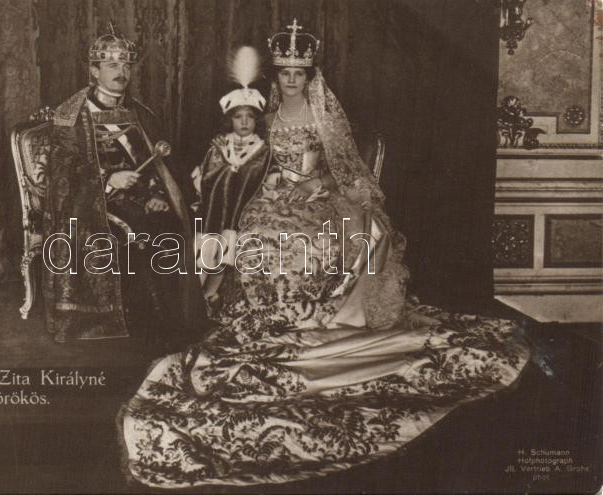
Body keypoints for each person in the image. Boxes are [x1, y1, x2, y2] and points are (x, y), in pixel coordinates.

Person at [118, 20, 531, 489]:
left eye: (300, 73)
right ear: (276, 76)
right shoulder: (263, 116)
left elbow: (344, 170)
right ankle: (265, 316)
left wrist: (315, 185)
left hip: (317, 198)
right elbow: (250, 163)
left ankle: (314, 316)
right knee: (254, 232)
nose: (292, 80)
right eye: (285, 73)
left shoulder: (323, 117)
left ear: (310, 76)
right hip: (269, 197)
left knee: (316, 237)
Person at [42, 24, 206, 347]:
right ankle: (147, 325)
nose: (122, 72)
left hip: (140, 198)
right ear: (94, 71)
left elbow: (160, 163)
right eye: (112, 65)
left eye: (126, 65)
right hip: (93, 204)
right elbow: (62, 175)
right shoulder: (71, 116)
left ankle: (173, 321)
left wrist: (158, 194)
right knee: (143, 230)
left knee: (170, 221)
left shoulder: (139, 113)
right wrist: (107, 180)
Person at [191, 46, 272, 304]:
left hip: (241, 215)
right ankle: (198, 294)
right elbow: (205, 175)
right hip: (214, 214)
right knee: (207, 253)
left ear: (257, 120)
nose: (244, 122)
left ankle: (215, 291)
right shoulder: (219, 146)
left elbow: (265, 179)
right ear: (230, 120)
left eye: (250, 117)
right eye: (238, 117)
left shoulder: (262, 150)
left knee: (228, 254)